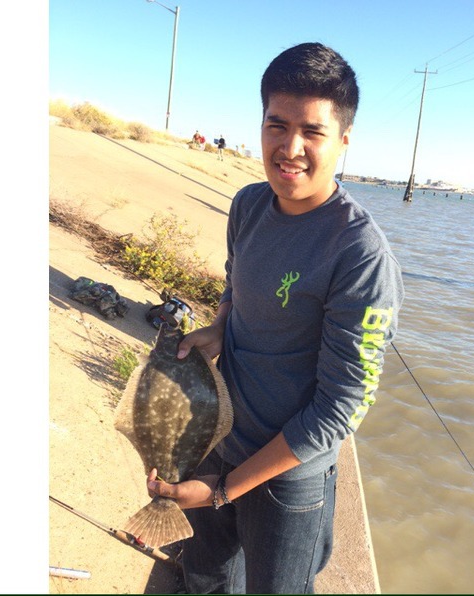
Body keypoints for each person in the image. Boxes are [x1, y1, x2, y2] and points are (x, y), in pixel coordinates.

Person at [146, 42, 404, 594]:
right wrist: (220, 326)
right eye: (277, 126)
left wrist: (222, 491)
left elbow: (341, 408)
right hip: (218, 437)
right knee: (206, 577)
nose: (290, 148)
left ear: (344, 139)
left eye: (313, 132)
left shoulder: (361, 256)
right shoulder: (248, 203)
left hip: (288, 479)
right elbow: (234, 279)